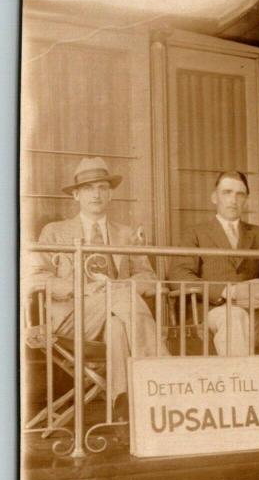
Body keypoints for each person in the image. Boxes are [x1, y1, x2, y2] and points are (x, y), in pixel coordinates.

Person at [31, 156, 169, 414]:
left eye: (102, 187)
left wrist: (118, 286)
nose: (96, 194)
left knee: (118, 323)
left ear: (111, 194)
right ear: (76, 196)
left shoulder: (126, 235)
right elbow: (36, 278)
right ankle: (164, 380)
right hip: (71, 320)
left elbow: (148, 279)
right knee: (122, 298)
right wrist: (81, 289)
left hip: (116, 315)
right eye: (88, 188)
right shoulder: (55, 232)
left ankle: (122, 409)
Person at [170, 171, 259, 410]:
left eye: (240, 194)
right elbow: (179, 276)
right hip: (214, 312)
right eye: (227, 193)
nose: (233, 200)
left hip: (257, 312)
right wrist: (226, 292)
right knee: (233, 315)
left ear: (246, 199)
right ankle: (245, 402)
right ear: (214, 197)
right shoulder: (195, 233)